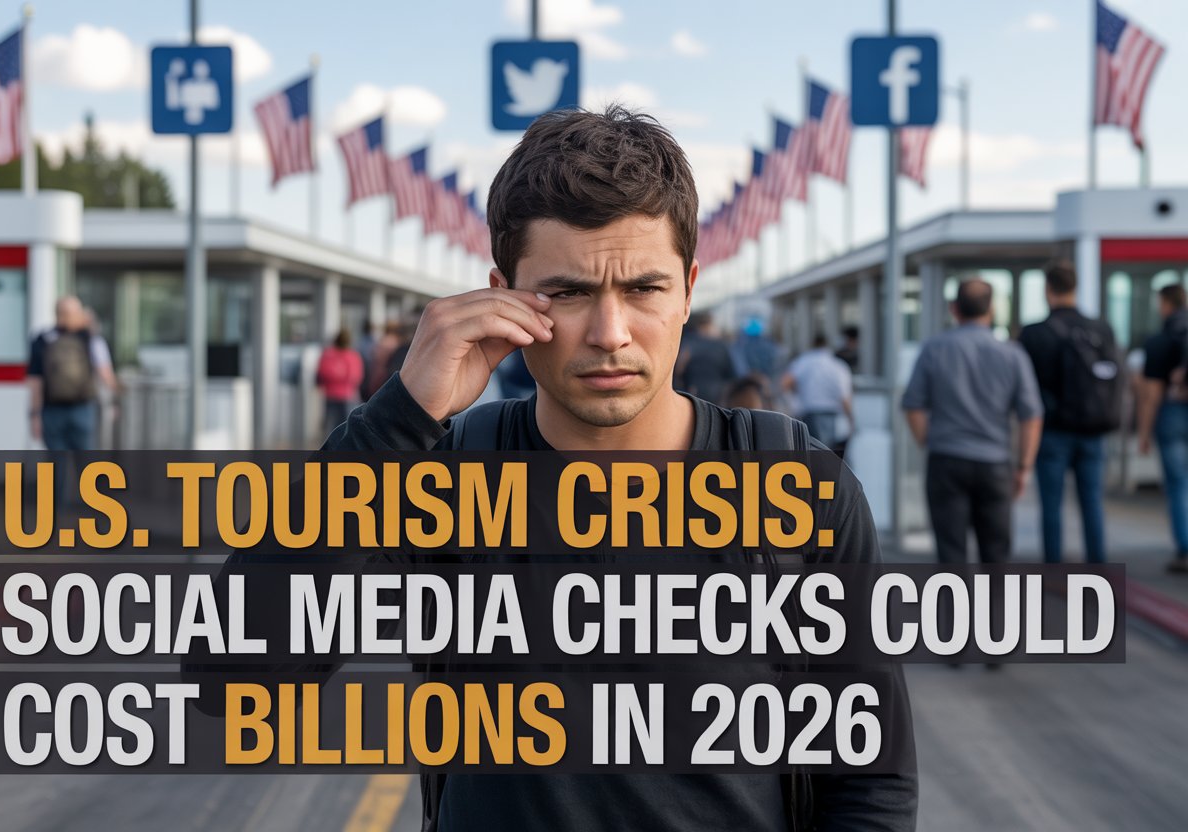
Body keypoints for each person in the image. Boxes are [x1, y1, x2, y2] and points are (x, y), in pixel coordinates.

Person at [316, 105, 916, 832]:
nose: (610, 334)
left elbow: (868, 782)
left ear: (689, 290)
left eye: (644, 289)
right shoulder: (443, 475)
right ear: (502, 293)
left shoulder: (801, 488)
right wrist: (396, 419)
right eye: (566, 293)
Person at [902, 279, 1044, 567]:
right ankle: (992, 611)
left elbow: (912, 405)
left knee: (950, 552)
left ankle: (956, 611)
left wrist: (930, 441)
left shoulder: (934, 348)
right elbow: (1031, 415)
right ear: (992, 309)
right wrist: (1024, 466)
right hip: (994, 463)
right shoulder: (1012, 354)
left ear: (954, 309)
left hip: (946, 460)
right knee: (996, 554)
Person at [1019, 261, 1121, 564]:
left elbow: (1025, 389)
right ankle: (1098, 568)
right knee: (1092, 501)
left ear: (1048, 290)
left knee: (1051, 504)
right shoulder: (1101, 328)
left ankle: (1053, 567)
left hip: (1051, 430)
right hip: (1094, 428)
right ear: (1075, 288)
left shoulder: (1034, 333)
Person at [1137, 283, 1188, 573]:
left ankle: (1184, 549)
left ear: (1165, 304)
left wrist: (1144, 433)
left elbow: (1151, 395)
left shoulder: (1159, 339)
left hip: (1172, 414)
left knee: (1179, 484)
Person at [26, 295, 117, 451]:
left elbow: (35, 382)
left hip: (51, 411)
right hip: (83, 408)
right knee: (86, 464)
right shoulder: (91, 340)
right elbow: (105, 375)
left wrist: (34, 414)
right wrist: (114, 402)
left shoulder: (42, 340)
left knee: (57, 465)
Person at [781, 334, 854, 457]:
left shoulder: (803, 361)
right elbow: (844, 398)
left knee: (811, 454)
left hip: (809, 415)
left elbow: (785, 383)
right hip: (831, 416)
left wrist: (793, 402)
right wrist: (851, 420)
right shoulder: (838, 366)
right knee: (829, 456)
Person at [677, 311, 736, 404]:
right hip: (717, 399)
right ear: (710, 325)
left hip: (691, 396)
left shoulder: (687, 344)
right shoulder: (722, 346)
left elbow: (678, 370)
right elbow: (734, 374)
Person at [315, 328, 364, 434]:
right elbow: (356, 377)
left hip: (330, 394)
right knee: (346, 428)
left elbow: (321, 374)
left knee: (330, 426)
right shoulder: (352, 356)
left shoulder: (327, 355)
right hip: (347, 394)